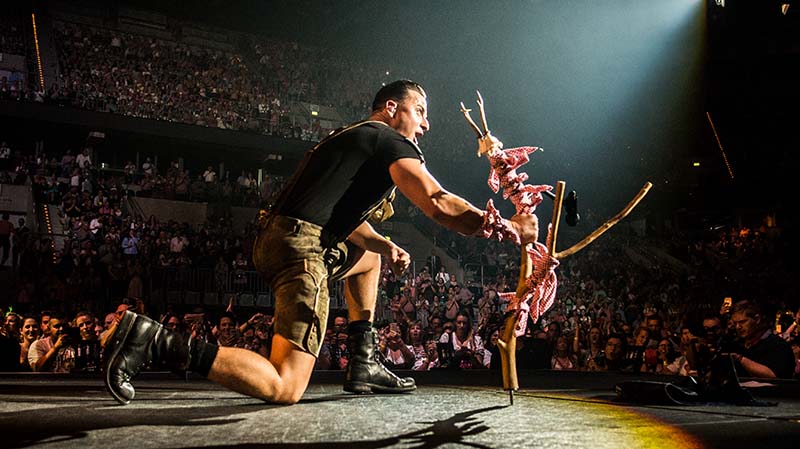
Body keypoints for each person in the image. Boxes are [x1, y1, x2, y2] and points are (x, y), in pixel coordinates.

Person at [102, 80, 539, 405]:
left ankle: (363, 360)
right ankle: (155, 340)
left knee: (367, 259)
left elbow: (341, 222)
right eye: (420, 111)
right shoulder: (385, 138)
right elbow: (438, 202)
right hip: (301, 249)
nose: (425, 124)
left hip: (287, 237)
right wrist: (506, 228)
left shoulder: (350, 140)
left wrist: (385, 247)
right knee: (285, 386)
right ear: (391, 108)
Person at [725, 300, 795, 379]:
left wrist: (740, 359)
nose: (738, 327)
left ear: (757, 319)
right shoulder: (737, 344)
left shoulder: (778, 345)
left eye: (742, 322)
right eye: (735, 323)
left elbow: (775, 376)